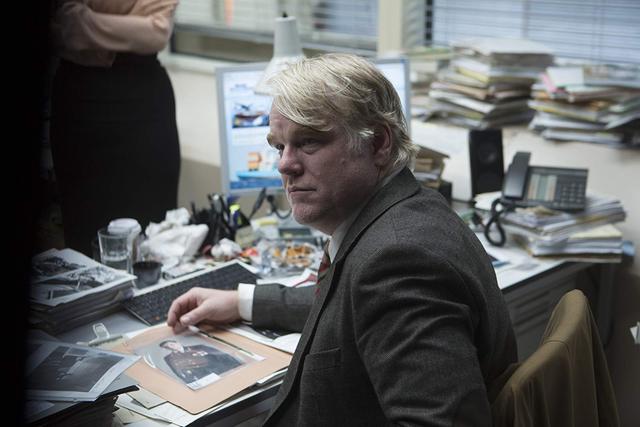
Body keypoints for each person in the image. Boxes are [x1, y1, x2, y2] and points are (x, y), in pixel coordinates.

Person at [167, 53, 517, 425]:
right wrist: (243, 302)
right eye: (279, 147)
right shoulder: (408, 211)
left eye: (309, 142)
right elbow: (350, 306)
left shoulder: (399, 262)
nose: (285, 164)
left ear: (378, 143)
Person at [49, 0, 181, 256]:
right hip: (80, 98)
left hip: (145, 99)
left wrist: (88, 18)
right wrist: (134, 18)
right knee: (86, 233)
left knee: (155, 236)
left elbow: (156, 32)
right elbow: (67, 25)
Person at [158, 339, 243, 385]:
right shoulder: (169, 358)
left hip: (221, 371)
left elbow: (221, 355)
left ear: (177, 343)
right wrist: (191, 384)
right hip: (204, 379)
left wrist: (237, 366)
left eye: (171, 344)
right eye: (167, 347)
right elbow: (178, 372)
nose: (171, 347)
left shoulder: (198, 347)